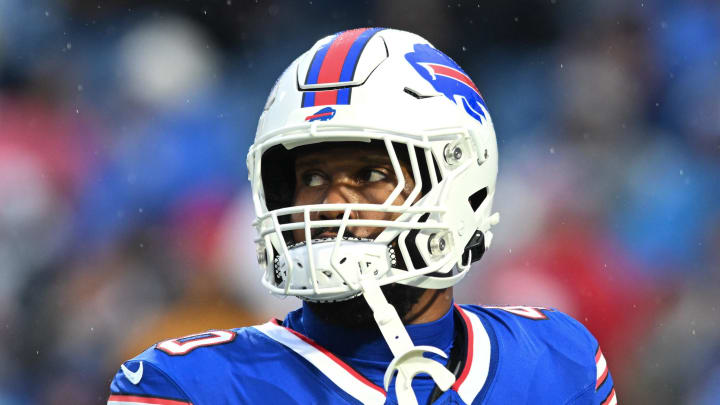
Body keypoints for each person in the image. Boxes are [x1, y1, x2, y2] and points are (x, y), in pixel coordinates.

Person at [107, 28, 616, 405]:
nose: (330, 203)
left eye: (372, 173)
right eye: (311, 179)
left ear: (460, 182)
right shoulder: (189, 385)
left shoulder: (557, 361)